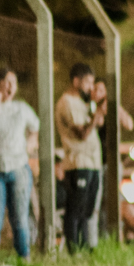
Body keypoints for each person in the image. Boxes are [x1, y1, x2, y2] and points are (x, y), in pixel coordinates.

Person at [0, 69, 40, 266]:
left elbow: (35, 127)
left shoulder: (21, 108)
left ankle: (24, 257)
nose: (11, 86)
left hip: (18, 168)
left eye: (14, 82)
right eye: (6, 81)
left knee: (20, 217)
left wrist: (30, 144)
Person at [54, 63, 105, 252]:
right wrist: (96, 116)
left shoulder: (83, 103)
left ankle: (84, 249)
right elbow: (82, 133)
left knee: (87, 210)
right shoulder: (67, 102)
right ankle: (73, 250)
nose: (91, 87)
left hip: (92, 163)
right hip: (78, 163)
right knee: (75, 209)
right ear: (76, 81)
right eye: (88, 82)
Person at [90, 78, 133, 242]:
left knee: (113, 199)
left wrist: (114, 108)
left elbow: (129, 124)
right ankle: (102, 236)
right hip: (95, 162)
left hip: (111, 162)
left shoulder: (112, 109)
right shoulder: (89, 108)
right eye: (95, 89)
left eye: (101, 90)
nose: (97, 93)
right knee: (99, 200)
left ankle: (117, 234)